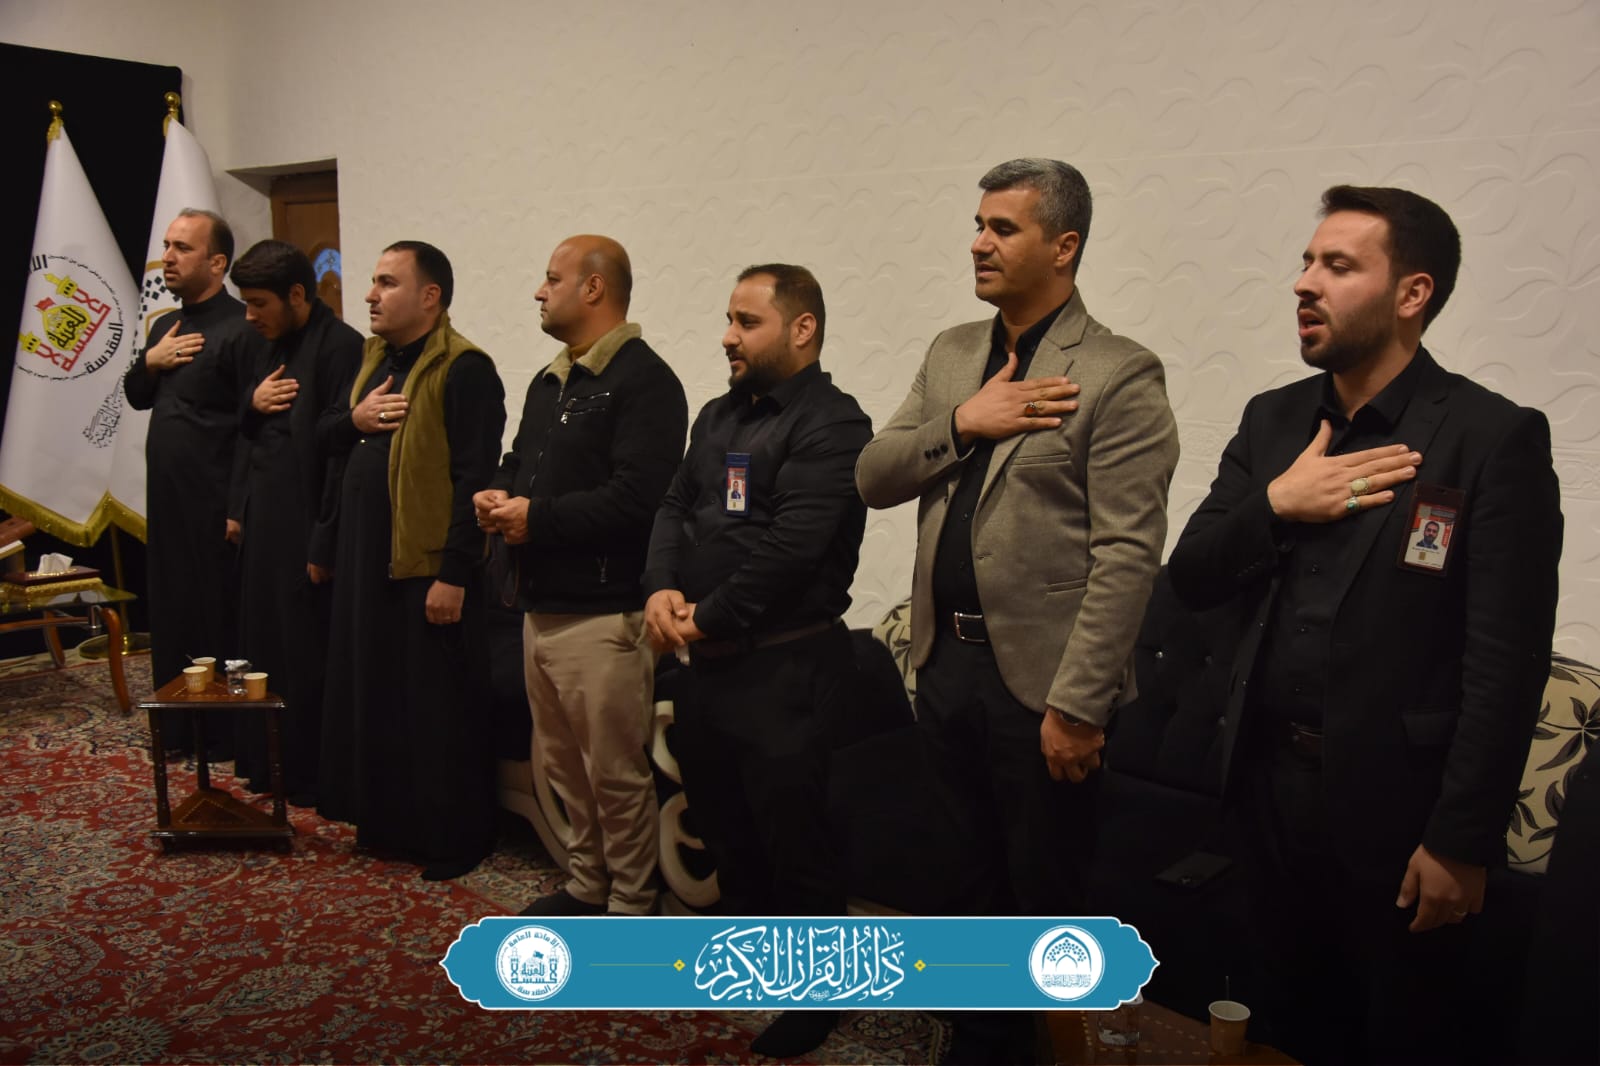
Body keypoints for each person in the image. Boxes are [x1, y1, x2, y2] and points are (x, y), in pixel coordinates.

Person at [1166, 185, 1562, 1064]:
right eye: (1307, 262)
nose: (1305, 283)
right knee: (1281, 1024)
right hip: (1262, 790)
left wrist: (1460, 841)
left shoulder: (1489, 438)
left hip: (1398, 812)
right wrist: (1277, 502)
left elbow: (1506, 661)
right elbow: (1191, 575)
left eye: (1338, 266)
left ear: (1412, 293)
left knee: (1396, 1036)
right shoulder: (1275, 419)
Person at [855, 158, 1179, 1065]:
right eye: (978, 224)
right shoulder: (953, 353)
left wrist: (1078, 705)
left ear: (1064, 246)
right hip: (944, 666)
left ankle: (1052, 1052)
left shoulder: (1118, 373)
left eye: (1003, 228)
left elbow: (1127, 556)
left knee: (1046, 903)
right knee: (963, 884)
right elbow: (873, 475)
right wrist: (966, 422)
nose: (979, 242)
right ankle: (978, 1047)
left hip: (1043, 689)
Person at [642, 264, 871, 1059]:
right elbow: (674, 505)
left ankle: (819, 995)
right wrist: (661, 589)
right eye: (729, 320)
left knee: (796, 844)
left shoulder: (834, 423)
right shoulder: (718, 416)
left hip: (786, 671)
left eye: (747, 322)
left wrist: (703, 616)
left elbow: (793, 548)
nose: (727, 337)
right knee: (728, 831)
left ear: (801, 329)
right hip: (706, 668)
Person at [473, 235, 687, 916]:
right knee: (564, 768)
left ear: (593, 288)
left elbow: (638, 500)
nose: (539, 292)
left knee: (614, 775)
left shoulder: (646, 381)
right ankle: (587, 886)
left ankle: (631, 904)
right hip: (539, 606)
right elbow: (520, 461)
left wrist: (536, 518)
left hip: (604, 612)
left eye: (552, 278)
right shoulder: (551, 379)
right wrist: (500, 492)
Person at [317, 241, 505, 881]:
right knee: (379, 698)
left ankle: (454, 839)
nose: (370, 295)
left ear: (430, 296)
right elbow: (324, 437)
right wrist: (356, 418)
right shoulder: (373, 361)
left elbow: (473, 479)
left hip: (428, 570)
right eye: (373, 282)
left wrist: (454, 573)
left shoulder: (465, 369)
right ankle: (390, 826)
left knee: (436, 710)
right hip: (368, 562)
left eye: (386, 283)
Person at [124, 208, 262, 756]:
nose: (168, 257)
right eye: (167, 245)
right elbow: (137, 395)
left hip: (215, 503)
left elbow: (251, 426)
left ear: (218, 262)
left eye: (182, 248)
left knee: (214, 616)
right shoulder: (165, 326)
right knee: (171, 610)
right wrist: (151, 362)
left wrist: (237, 506)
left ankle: (223, 735)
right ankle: (177, 729)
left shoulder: (243, 327)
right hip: (168, 502)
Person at [229, 240, 362, 804]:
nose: (249, 315)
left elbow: (338, 454)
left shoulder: (342, 347)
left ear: (298, 295)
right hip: (262, 522)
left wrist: (323, 540)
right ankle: (265, 766)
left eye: (259, 303)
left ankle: (306, 775)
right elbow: (246, 429)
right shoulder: (263, 342)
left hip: (306, 525)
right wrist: (252, 404)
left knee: (304, 653)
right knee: (260, 645)